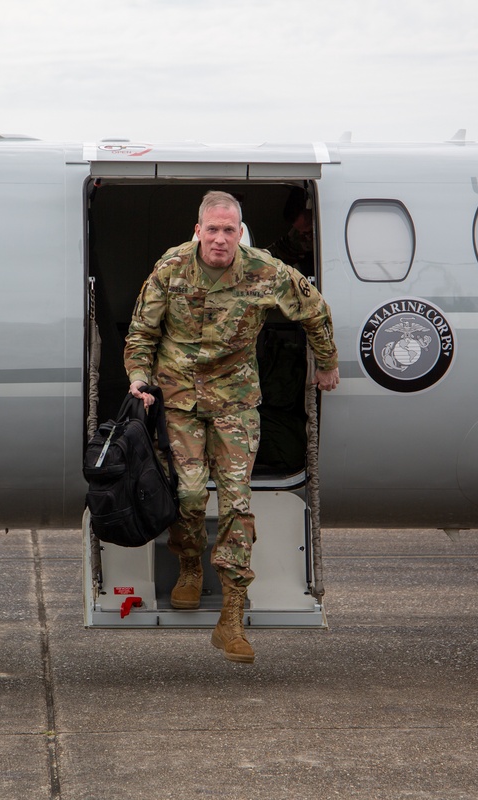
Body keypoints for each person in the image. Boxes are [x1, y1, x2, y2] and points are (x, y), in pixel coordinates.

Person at [124, 190, 339, 664]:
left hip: (235, 400)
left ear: (240, 233)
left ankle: (231, 616)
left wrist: (326, 363)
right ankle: (188, 565)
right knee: (190, 492)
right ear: (198, 230)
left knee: (238, 499)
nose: (221, 238)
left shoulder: (267, 272)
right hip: (178, 396)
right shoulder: (170, 269)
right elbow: (141, 332)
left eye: (230, 230)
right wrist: (139, 378)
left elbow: (315, 310)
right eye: (213, 229)